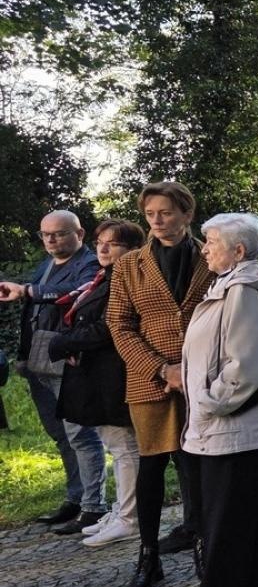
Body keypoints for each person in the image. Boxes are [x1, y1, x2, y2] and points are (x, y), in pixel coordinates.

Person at [168, 213, 258, 587]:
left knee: (225, 514)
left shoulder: (242, 291)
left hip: (231, 423)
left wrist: (210, 403)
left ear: (238, 251)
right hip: (235, 423)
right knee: (249, 509)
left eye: (211, 242)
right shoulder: (232, 285)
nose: (204, 249)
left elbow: (245, 365)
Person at [108, 182, 216, 587]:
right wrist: (160, 368)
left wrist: (192, 369)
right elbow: (119, 324)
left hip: (201, 377)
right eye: (150, 213)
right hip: (148, 380)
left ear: (186, 214)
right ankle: (148, 554)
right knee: (151, 467)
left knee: (197, 465)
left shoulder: (210, 255)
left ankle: (204, 546)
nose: (156, 220)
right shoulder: (129, 265)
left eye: (166, 212)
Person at [0, 210, 105, 530]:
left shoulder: (90, 264)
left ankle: (94, 506)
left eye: (58, 233)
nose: (50, 240)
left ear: (79, 234)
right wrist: (23, 357)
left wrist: (28, 291)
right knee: (60, 435)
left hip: (69, 361)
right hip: (38, 362)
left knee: (81, 436)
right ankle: (75, 499)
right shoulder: (45, 265)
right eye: (45, 234)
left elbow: (79, 289)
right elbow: (32, 312)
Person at [49, 219, 145, 547]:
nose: (102, 248)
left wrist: (65, 342)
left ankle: (130, 517)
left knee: (125, 447)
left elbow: (108, 328)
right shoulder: (105, 277)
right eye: (100, 241)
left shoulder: (124, 279)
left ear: (132, 249)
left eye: (113, 243)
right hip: (96, 374)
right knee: (117, 446)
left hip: (113, 374)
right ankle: (122, 510)